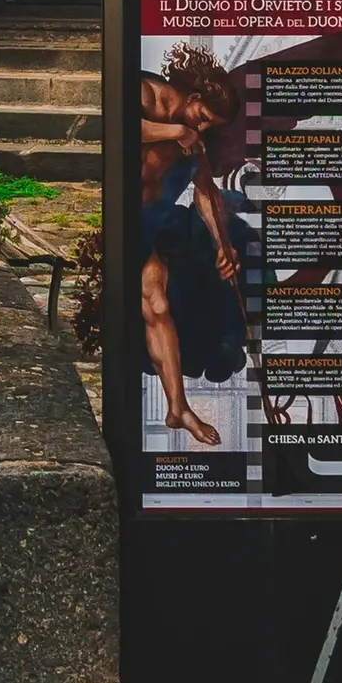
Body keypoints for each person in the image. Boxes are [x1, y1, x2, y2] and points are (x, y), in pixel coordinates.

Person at [139, 44, 247, 446]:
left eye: (208, 127)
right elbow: (117, 122)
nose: (202, 130)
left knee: (159, 304)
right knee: (157, 302)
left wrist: (224, 244)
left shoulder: (194, 143)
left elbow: (206, 194)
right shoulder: (146, 94)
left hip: (149, 223)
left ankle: (177, 408)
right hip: (126, 218)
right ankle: (177, 407)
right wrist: (174, 130)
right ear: (194, 98)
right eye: (202, 119)